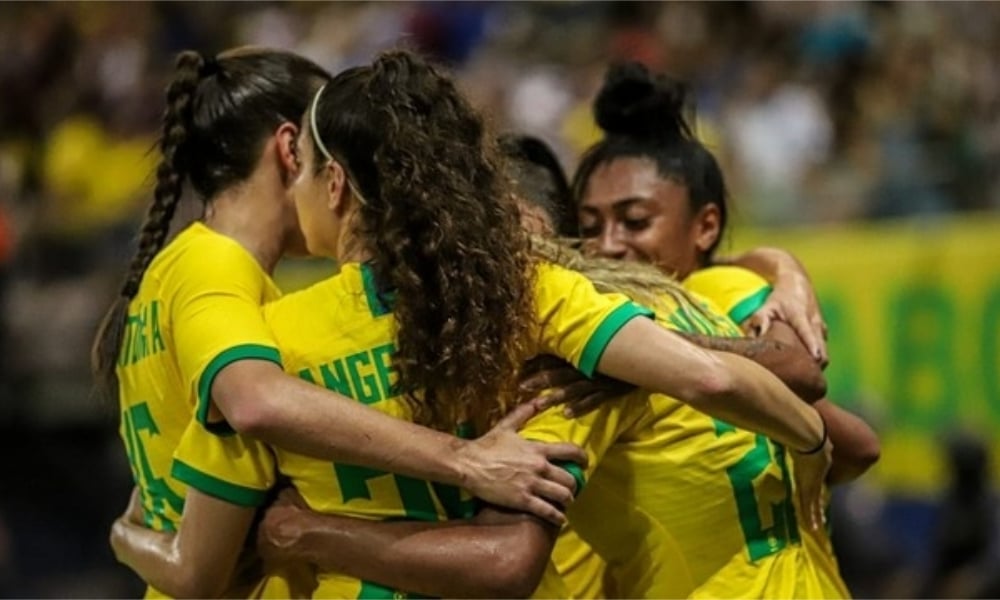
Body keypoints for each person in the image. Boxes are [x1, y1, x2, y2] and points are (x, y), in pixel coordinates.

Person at [109, 50, 832, 599]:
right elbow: (728, 376)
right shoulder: (527, 301)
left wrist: (132, 532)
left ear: (331, 181)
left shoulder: (261, 329)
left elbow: (207, 564)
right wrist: (811, 441)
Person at [94, 47, 590, 597]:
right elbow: (254, 402)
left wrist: (129, 534)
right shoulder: (218, 271)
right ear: (290, 151)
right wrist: (464, 460)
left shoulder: (192, 278)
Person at [572, 62, 881, 596]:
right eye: (590, 226)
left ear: (706, 226)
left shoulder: (719, 291)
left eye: (636, 221)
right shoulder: (613, 312)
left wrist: (646, 355)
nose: (609, 245)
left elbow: (808, 380)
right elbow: (854, 442)